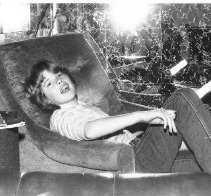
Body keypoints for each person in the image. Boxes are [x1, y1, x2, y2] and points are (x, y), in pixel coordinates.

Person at [25, 60, 211, 173]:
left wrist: (155, 120)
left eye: (59, 74)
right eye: (49, 83)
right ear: (45, 100)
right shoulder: (60, 117)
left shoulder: (85, 107)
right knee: (181, 97)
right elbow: (89, 131)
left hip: (142, 153)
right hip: (135, 161)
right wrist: (140, 116)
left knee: (197, 158)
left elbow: (120, 134)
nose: (58, 80)